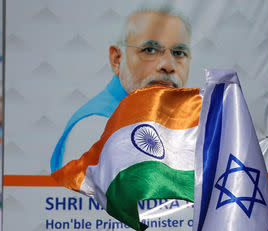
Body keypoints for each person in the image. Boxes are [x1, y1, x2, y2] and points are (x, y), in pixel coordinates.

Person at [50, 6, 192, 172]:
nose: (168, 65)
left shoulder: (163, 120)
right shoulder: (97, 126)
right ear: (117, 59)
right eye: (150, 50)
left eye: (179, 53)